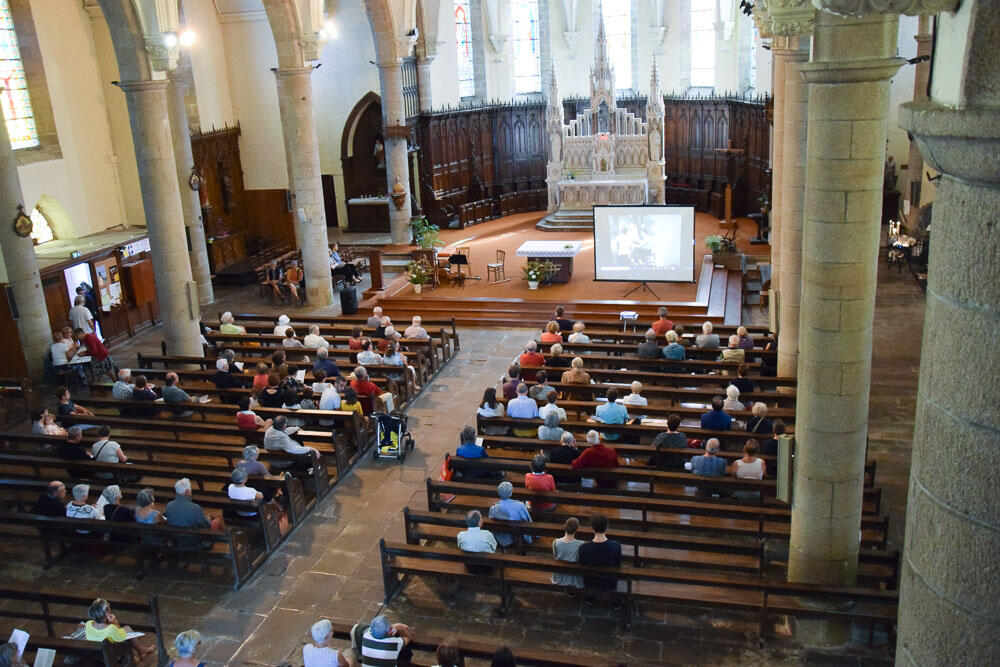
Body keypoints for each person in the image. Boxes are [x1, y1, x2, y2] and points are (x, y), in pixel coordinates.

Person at [577, 513, 622, 599]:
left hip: (591, 582)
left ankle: (590, 598)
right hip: (610, 583)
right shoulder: (616, 546)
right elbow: (618, 564)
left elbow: (582, 565)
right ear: (607, 526)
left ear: (592, 528)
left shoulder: (584, 548)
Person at [166, 478, 220, 548]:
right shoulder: (195, 508)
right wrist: (208, 519)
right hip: (194, 542)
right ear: (187, 491)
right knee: (217, 519)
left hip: (177, 540)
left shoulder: (169, 505)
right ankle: (225, 540)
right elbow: (207, 526)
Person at [488, 481, 532, 548]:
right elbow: (527, 520)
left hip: (502, 534)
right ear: (511, 493)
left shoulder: (494, 508)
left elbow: (491, 521)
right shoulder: (520, 505)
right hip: (516, 533)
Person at [551, 517, 584, 588]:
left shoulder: (556, 542)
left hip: (560, 575)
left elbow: (555, 557)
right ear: (577, 529)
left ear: (564, 526)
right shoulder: (581, 544)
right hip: (574, 577)